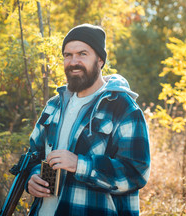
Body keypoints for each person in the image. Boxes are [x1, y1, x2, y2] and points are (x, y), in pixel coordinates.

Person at [26, 24, 151, 216]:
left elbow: (136, 173)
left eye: (82, 54)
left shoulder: (123, 108)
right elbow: (34, 154)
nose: (73, 61)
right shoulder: (54, 105)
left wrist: (79, 164)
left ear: (100, 60)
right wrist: (33, 176)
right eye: (68, 55)